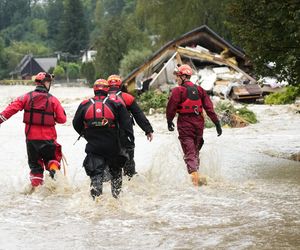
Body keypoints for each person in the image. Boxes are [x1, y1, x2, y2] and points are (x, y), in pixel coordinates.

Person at [0, 72, 66, 187]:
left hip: (31, 141)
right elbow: (62, 119)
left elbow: (10, 110)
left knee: (35, 167)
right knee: (52, 160)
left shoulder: (25, 97)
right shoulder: (53, 100)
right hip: (48, 139)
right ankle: (54, 173)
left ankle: (36, 191)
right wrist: (52, 117)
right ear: (46, 83)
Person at [72, 79, 134, 199]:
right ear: (107, 90)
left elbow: (76, 124)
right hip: (113, 146)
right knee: (116, 173)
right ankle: (117, 200)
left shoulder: (85, 104)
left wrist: (87, 135)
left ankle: (96, 202)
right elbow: (126, 124)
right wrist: (128, 142)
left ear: (94, 90)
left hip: (94, 146)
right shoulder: (116, 103)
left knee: (96, 175)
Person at [166, 64, 222, 186]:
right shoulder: (200, 90)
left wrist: (169, 121)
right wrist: (217, 123)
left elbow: (171, 108)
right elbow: (209, 108)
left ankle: (195, 181)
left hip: (185, 124)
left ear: (184, 76)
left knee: (189, 152)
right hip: (199, 124)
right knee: (195, 151)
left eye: (178, 76)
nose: (177, 79)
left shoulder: (178, 91)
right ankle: (197, 175)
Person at [107, 74, 153, 179]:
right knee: (128, 159)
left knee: (107, 160)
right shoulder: (128, 98)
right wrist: (148, 130)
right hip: (125, 133)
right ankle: (130, 177)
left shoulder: (103, 99)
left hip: (107, 134)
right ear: (120, 85)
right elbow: (139, 115)